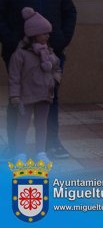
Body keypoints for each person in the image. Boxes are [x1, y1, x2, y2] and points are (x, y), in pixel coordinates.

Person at [0, 0, 77, 160]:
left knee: (50, 99)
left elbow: (70, 13)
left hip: (51, 54)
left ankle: (52, 144)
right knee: (17, 99)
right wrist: (14, 42)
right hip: (20, 55)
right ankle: (15, 147)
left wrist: (61, 40)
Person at [9, 8, 62, 163]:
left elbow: (57, 67)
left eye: (48, 33)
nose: (48, 36)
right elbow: (14, 76)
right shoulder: (20, 54)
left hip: (45, 95)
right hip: (26, 96)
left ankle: (41, 152)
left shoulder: (49, 52)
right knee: (22, 125)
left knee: (41, 125)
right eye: (44, 33)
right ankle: (20, 153)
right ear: (34, 34)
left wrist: (55, 79)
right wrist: (15, 95)